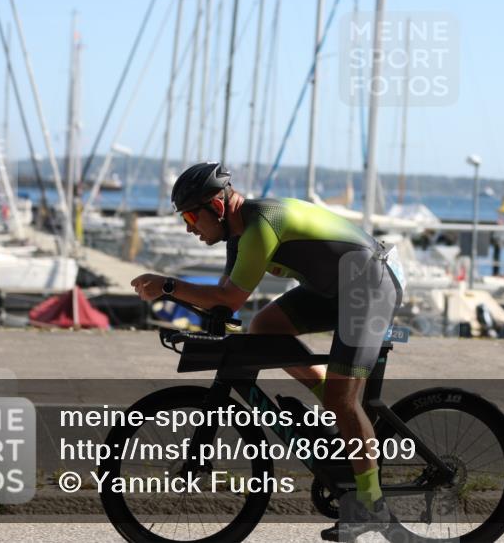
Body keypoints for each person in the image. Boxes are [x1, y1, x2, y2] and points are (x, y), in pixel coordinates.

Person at [130, 162, 403, 541]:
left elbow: (227, 296)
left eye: (192, 215)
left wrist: (170, 286)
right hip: (335, 289)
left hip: (369, 287)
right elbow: (227, 307)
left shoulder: (260, 225)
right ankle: (331, 408)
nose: (189, 227)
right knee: (266, 328)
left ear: (219, 207)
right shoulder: (237, 238)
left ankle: (371, 504)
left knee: (345, 400)